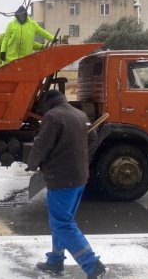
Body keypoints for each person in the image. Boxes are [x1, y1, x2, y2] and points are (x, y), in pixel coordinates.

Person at [26, 89, 106, 278]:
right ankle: (55, 261)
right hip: (79, 177)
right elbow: (93, 139)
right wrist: (77, 156)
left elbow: (41, 144)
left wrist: (32, 164)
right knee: (61, 221)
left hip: (61, 178)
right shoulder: (80, 114)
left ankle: (93, 265)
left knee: (62, 224)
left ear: (48, 103)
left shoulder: (52, 116)